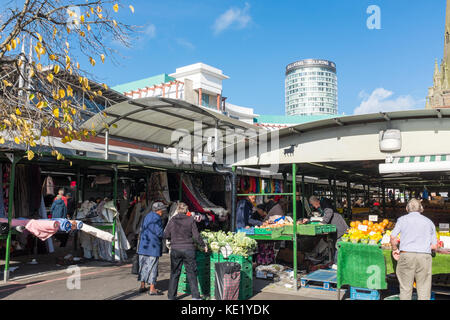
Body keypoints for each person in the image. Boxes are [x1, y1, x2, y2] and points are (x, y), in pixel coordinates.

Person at [390, 198, 438, 300]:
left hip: (406, 255)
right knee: (424, 289)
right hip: (424, 257)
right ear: (421, 209)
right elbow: (434, 246)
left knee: (405, 288)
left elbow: (393, 237)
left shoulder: (402, 220)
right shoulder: (429, 222)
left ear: (407, 208)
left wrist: (394, 249)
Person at [164, 202, 208, 300]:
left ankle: (171, 296)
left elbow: (166, 234)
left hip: (175, 249)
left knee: (174, 273)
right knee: (191, 273)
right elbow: (196, 236)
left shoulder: (172, 220)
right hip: (189, 249)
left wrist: (173, 238)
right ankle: (195, 297)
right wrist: (203, 245)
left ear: (178, 210)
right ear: (187, 210)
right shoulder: (190, 220)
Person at [305, 195, 349, 267]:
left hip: (340, 228)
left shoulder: (324, 203)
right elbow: (323, 216)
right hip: (336, 229)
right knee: (336, 246)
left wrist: (323, 223)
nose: (315, 207)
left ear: (316, 202)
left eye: (313, 205)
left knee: (339, 246)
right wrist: (310, 220)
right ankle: (336, 263)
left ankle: (338, 264)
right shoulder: (322, 206)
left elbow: (329, 212)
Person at [137, 201, 165, 296]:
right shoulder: (157, 218)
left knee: (143, 266)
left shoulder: (147, 216)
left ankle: (142, 285)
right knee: (152, 267)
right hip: (153, 247)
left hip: (143, 246)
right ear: (158, 210)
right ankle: (152, 289)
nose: (163, 212)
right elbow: (159, 233)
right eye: (162, 210)